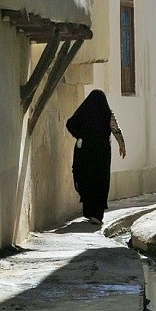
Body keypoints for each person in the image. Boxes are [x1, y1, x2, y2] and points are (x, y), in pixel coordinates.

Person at [65, 89, 127, 225]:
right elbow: (116, 129)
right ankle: (97, 215)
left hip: (86, 153)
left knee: (87, 181)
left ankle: (89, 211)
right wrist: (122, 145)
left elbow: (70, 124)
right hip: (102, 155)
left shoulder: (84, 112)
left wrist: (80, 136)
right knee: (101, 182)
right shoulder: (107, 114)